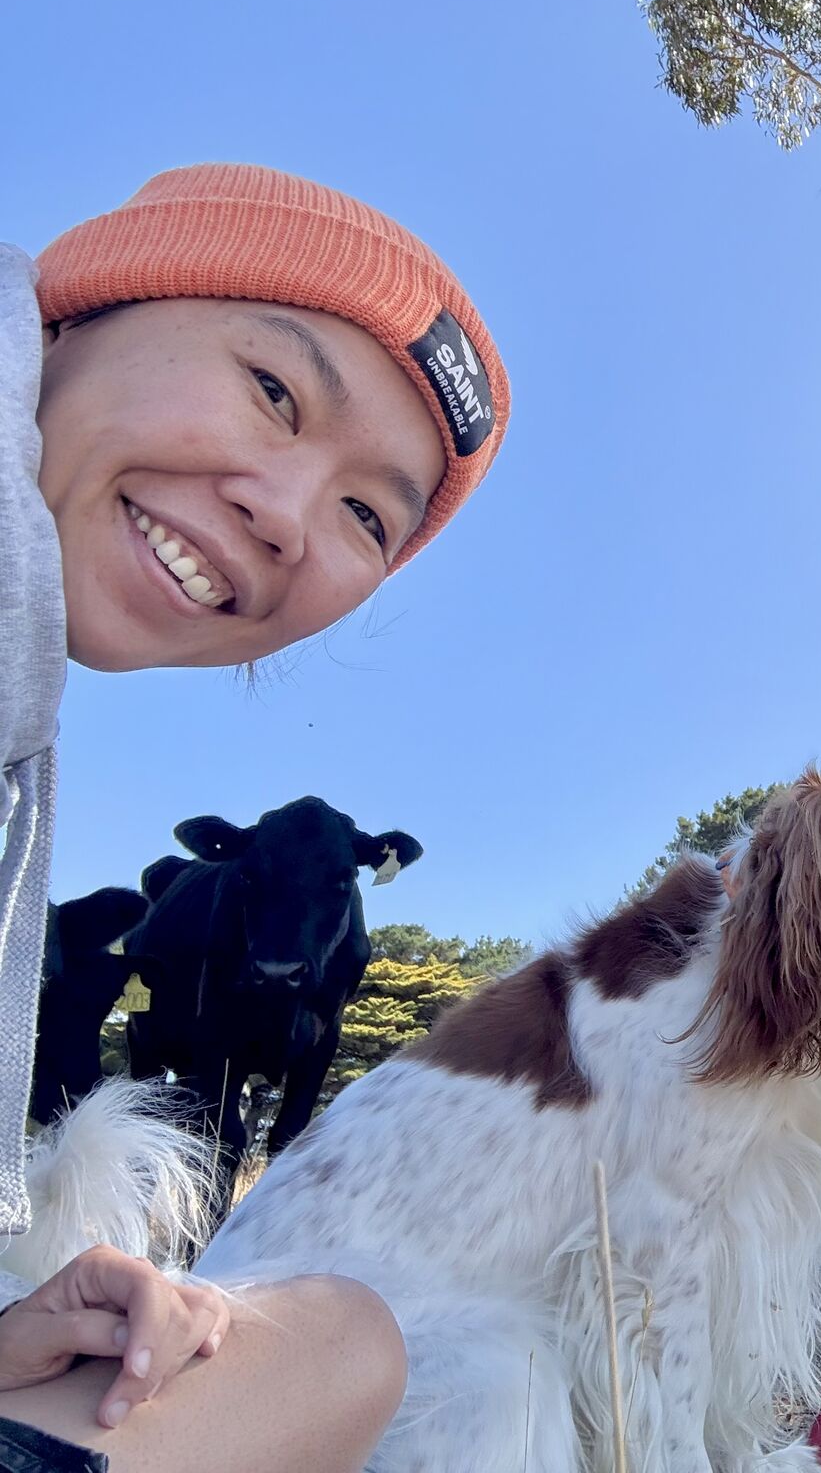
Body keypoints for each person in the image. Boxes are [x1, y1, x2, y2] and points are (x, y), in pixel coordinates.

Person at [0, 165, 510, 1473]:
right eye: (272, 388)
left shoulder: (30, 735)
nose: (285, 519)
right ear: (81, 308)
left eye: (362, 518)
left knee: (343, 1338)